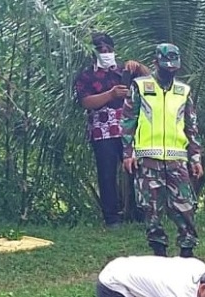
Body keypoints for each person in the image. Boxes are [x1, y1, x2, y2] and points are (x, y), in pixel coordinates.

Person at [121, 43, 203, 258]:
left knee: (185, 207)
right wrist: (128, 152)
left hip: (177, 159)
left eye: (173, 68)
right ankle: (159, 251)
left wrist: (195, 158)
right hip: (148, 159)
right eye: (166, 67)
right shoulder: (140, 87)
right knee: (150, 209)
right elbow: (129, 120)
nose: (170, 71)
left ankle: (187, 251)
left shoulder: (183, 91)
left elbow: (191, 126)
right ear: (156, 62)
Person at [74, 32, 148, 228]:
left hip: (130, 130)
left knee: (136, 171)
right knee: (107, 174)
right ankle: (112, 218)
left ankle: (140, 213)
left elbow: (152, 81)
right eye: (100, 49)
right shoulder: (87, 75)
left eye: (108, 49)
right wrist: (110, 94)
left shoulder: (126, 69)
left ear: (114, 49)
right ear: (93, 52)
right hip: (102, 132)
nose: (105, 52)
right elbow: (86, 102)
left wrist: (139, 67)